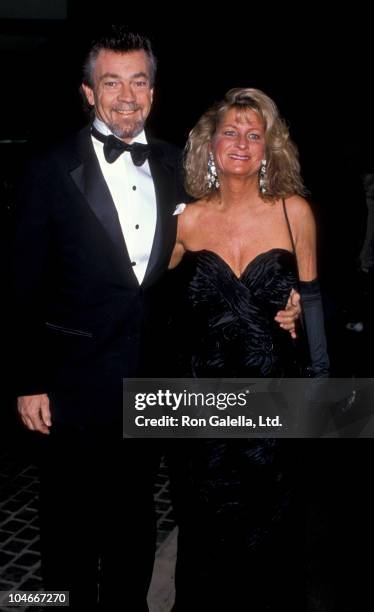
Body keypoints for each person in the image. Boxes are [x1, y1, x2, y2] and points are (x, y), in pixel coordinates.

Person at [11, 27, 300, 609]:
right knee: (66, 525)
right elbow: (19, 282)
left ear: (152, 91)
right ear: (88, 92)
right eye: (111, 82)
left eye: (137, 81)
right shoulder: (48, 168)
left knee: (133, 519)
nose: (125, 95)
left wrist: (291, 297)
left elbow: (237, 215)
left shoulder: (177, 167)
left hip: (152, 378)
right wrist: (27, 380)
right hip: (70, 381)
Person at [167, 88, 330, 610]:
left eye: (254, 134)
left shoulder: (293, 212)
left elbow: (316, 307)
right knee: (203, 529)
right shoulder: (184, 220)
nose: (241, 142)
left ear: (269, 147)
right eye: (230, 132)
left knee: (273, 533)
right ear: (209, 145)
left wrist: (304, 325)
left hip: (275, 402)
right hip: (201, 406)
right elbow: (135, 301)